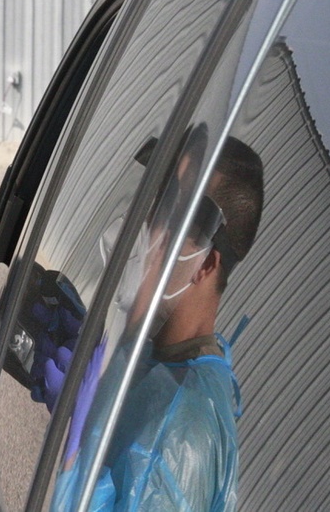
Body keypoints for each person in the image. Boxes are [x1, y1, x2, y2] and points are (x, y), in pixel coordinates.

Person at [50, 136, 264, 511]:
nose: (141, 235)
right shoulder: (156, 357)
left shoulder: (182, 433)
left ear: (206, 265)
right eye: (151, 211)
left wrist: (75, 455)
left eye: (166, 221)